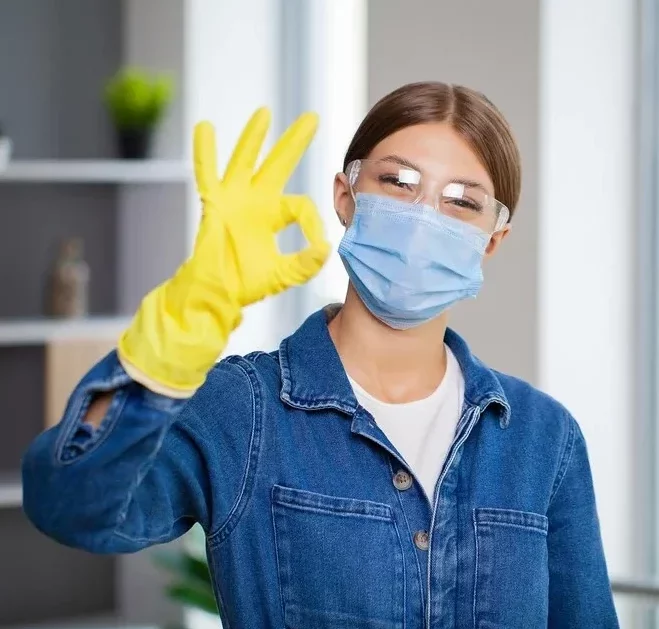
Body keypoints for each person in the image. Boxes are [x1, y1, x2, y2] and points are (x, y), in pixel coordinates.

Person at [21, 81, 619, 628]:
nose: (421, 221)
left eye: (461, 202)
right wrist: (165, 346)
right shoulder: (244, 409)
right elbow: (72, 509)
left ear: (492, 239)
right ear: (346, 195)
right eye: (399, 183)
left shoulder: (544, 439)